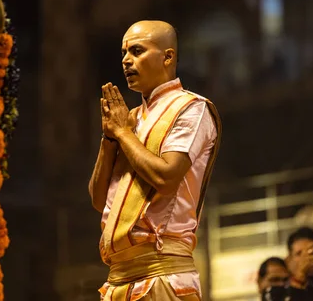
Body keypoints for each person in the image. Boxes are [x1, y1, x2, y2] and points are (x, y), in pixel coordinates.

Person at [89, 20, 222, 301]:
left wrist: (123, 134)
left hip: (163, 273)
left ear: (168, 56)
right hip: (117, 279)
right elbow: (98, 200)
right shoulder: (130, 118)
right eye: (124, 53)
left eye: (137, 51)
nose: (126, 60)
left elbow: (166, 178)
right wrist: (109, 139)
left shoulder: (191, 108)